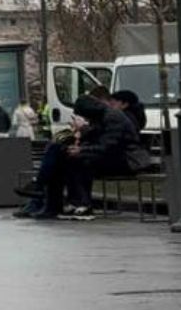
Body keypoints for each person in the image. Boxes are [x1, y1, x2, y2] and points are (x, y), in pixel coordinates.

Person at [17, 91, 142, 221]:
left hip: (125, 160)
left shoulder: (112, 117)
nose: (86, 119)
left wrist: (81, 150)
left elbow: (108, 146)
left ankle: (48, 192)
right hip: (111, 157)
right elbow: (95, 140)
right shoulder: (101, 116)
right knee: (59, 152)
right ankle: (50, 201)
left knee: (74, 162)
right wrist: (79, 140)